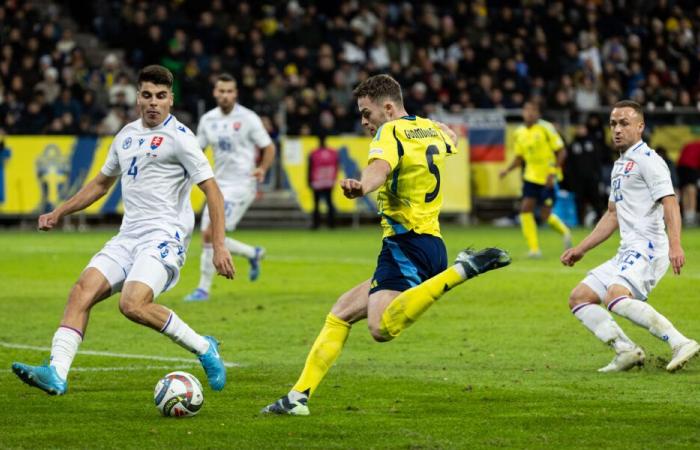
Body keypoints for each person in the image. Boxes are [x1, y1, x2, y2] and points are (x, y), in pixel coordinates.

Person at [261, 74, 511, 416]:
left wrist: (362, 187)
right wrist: (438, 126)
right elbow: (452, 138)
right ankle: (297, 398)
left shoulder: (389, 131)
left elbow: (379, 167)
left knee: (380, 328)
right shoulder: (429, 128)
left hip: (405, 244)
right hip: (429, 242)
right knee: (341, 312)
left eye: (367, 113)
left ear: (389, 108)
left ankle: (463, 269)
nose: (365, 122)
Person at [11, 65, 234, 395]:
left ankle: (204, 348)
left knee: (132, 304)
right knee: (81, 291)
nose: (153, 103)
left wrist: (218, 245)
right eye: (147, 95)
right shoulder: (126, 135)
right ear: (138, 99)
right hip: (128, 235)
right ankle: (56, 373)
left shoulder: (181, 138)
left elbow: (213, 191)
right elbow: (101, 184)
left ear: (170, 100)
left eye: (160, 96)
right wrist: (60, 211)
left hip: (164, 236)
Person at [561, 100, 699, 373]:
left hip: (649, 248)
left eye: (624, 123)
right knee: (580, 297)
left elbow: (670, 202)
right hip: (628, 250)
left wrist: (675, 245)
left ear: (640, 126)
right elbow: (612, 214)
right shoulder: (620, 165)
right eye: (613, 124)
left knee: (615, 295)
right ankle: (625, 350)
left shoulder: (649, 161)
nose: (617, 129)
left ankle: (680, 342)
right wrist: (582, 248)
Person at [184, 73, 275, 302]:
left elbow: (269, 147)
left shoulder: (248, 118)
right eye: (221, 91)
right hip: (217, 185)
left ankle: (203, 289)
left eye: (229, 91)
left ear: (235, 94)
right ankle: (252, 254)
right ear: (215, 93)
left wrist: (262, 168)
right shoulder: (208, 120)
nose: (225, 95)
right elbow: (197, 150)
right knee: (207, 237)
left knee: (210, 233)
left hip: (242, 184)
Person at [500, 101, 572, 257]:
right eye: (527, 110)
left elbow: (561, 152)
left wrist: (553, 172)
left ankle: (565, 232)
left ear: (538, 114)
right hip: (530, 177)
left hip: (548, 177)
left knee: (545, 215)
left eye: (533, 110)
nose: (530, 113)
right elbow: (519, 158)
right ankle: (534, 249)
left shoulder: (546, 128)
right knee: (525, 209)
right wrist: (506, 170)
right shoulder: (519, 133)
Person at [564, 124, 606, 225]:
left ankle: (601, 223)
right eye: (578, 128)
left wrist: (599, 177)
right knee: (579, 202)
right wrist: (571, 181)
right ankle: (580, 223)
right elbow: (569, 165)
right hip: (578, 181)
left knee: (597, 202)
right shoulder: (572, 145)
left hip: (592, 179)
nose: (580, 130)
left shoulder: (592, 143)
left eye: (582, 128)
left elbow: (597, 161)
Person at [308, 134, 339, 229]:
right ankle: (331, 224)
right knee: (329, 203)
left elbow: (310, 168)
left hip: (317, 181)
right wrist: (334, 178)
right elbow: (336, 166)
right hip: (328, 181)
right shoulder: (332, 152)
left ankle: (316, 224)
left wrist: (309, 180)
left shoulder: (314, 153)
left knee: (317, 204)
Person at [676, 139, 700, 226]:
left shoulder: (689, 144)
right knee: (691, 190)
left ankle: (687, 216)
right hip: (691, 167)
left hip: (680, 168)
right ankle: (691, 217)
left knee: (685, 191)